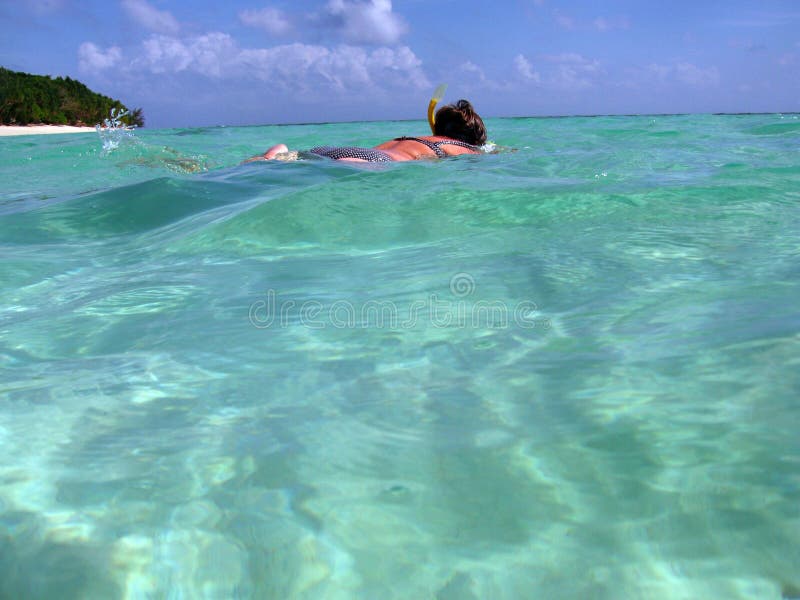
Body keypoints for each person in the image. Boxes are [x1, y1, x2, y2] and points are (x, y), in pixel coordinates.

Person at [246, 99, 487, 163]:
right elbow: (479, 155)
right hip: (373, 159)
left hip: (337, 150)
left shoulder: (412, 138)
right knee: (344, 165)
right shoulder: (459, 146)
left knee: (303, 157)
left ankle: (276, 155)